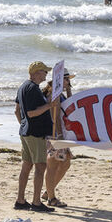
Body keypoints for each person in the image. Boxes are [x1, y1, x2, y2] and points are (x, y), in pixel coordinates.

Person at [14, 61, 58, 212]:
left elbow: (17, 111)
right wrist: (49, 105)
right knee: (40, 166)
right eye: (44, 71)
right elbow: (32, 113)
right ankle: (36, 202)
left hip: (26, 132)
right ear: (37, 72)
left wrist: (24, 125)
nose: (46, 74)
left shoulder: (23, 87)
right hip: (35, 133)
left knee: (26, 166)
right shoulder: (32, 88)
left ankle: (20, 200)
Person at [42, 69, 74, 208]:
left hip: (59, 134)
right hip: (54, 134)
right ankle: (51, 197)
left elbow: (71, 106)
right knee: (53, 166)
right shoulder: (53, 96)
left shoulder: (59, 95)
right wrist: (59, 136)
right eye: (66, 79)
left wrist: (69, 90)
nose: (68, 82)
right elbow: (55, 118)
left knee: (65, 162)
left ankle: (48, 192)